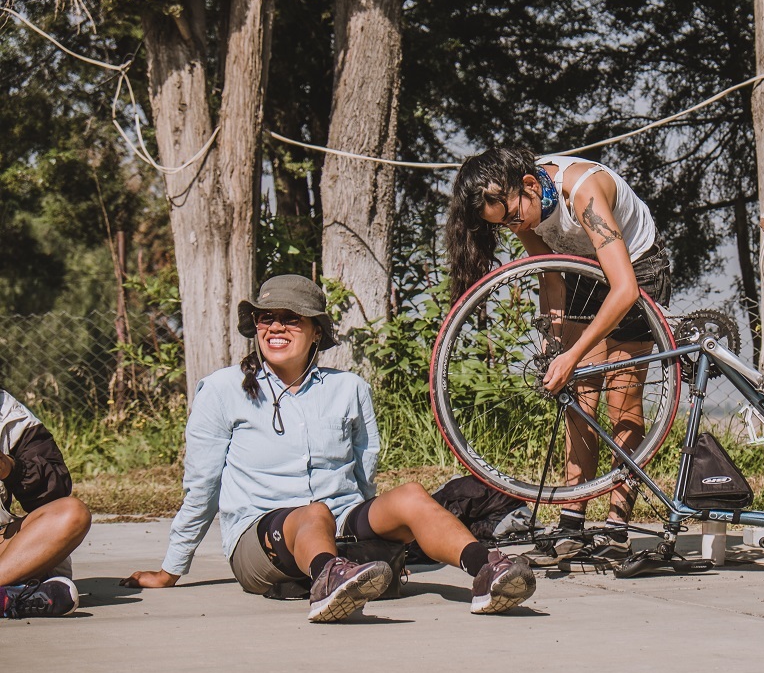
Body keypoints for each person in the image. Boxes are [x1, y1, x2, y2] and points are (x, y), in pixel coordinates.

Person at [120, 274, 535, 622]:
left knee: (409, 495)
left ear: (317, 330)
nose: (275, 327)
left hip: (339, 523)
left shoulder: (349, 389)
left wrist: (385, 533)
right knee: (312, 513)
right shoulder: (222, 390)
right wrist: (171, 568)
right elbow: (202, 486)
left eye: (290, 318)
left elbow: (363, 474)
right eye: (267, 318)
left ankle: (487, 571)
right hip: (260, 540)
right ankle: (329, 581)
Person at [446, 147, 670, 569]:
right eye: (504, 224)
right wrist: (555, 345)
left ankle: (616, 527)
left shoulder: (583, 192)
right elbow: (548, 271)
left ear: (530, 186)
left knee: (623, 399)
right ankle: (572, 521)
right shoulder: (517, 201)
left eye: (513, 217)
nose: (514, 225)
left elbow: (623, 290)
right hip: (580, 271)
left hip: (634, 272)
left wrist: (574, 353)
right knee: (578, 401)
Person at [0, 389, 91, 618]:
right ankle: (16, 597)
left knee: (72, 514)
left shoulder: (8, 413)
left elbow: (55, 490)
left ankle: (10, 593)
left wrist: (11, 468)